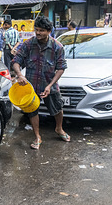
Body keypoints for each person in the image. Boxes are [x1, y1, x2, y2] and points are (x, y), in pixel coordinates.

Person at [11, 16, 70, 150]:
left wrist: (50, 85)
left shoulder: (57, 47)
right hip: (31, 87)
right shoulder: (28, 44)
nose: (38, 33)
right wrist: (19, 75)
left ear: (49, 31)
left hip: (50, 86)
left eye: (42, 30)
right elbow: (16, 60)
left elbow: (61, 68)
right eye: (36, 30)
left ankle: (59, 129)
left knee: (58, 109)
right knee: (32, 111)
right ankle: (37, 136)